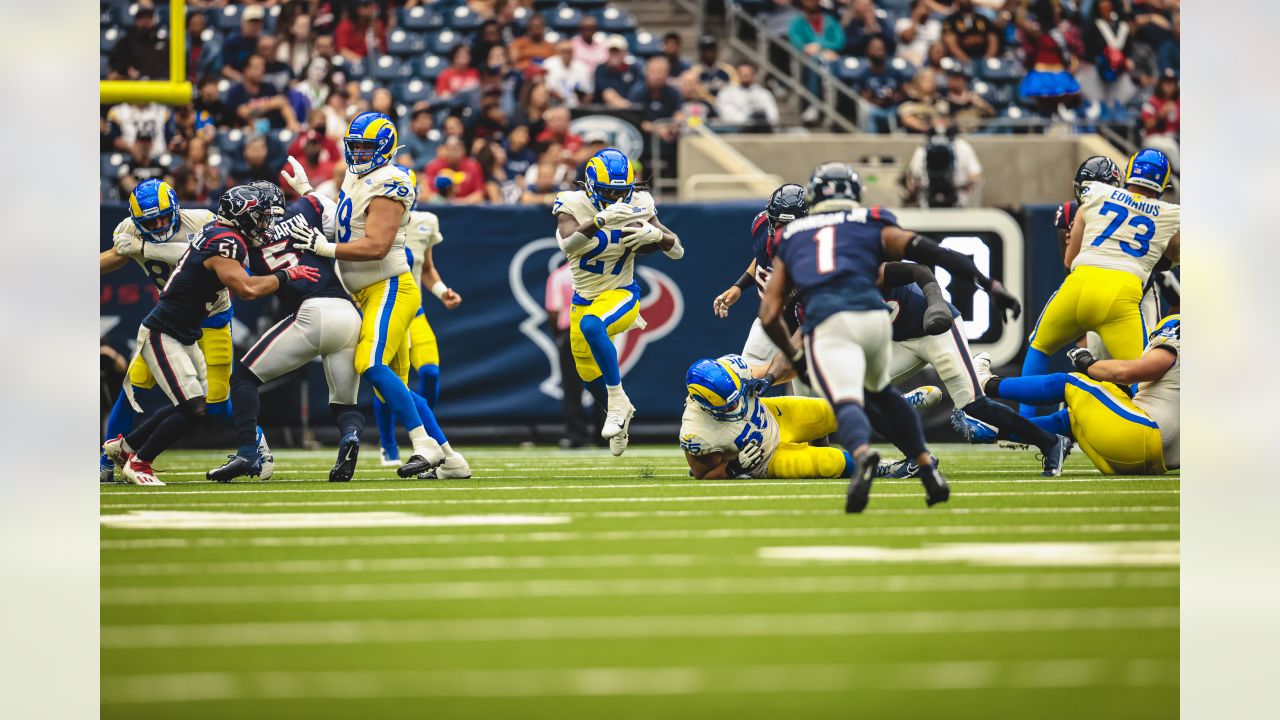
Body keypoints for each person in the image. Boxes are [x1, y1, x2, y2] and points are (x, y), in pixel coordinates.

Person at [759, 162, 1021, 512]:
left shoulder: (792, 238)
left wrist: (791, 360)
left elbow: (768, 314)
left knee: (846, 401)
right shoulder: (873, 220)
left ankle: (864, 454)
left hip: (830, 324)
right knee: (882, 393)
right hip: (875, 320)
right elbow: (936, 255)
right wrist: (991, 285)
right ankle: (926, 467)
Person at [289, 112, 468, 478]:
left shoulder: (391, 180)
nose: (358, 153)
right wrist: (308, 194)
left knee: (368, 363)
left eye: (366, 146)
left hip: (389, 286)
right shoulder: (358, 177)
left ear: (385, 148)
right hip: (369, 292)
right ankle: (452, 460)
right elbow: (344, 224)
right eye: (353, 146)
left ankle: (423, 446)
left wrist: (324, 249)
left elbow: (375, 246)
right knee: (393, 389)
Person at [103, 184, 315, 486]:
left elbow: (187, 252)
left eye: (163, 219)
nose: (158, 227)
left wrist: (145, 249)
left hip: (202, 322)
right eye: (259, 217)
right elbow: (247, 287)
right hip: (167, 329)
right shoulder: (223, 240)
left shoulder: (207, 226)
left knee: (207, 402)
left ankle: (127, 448)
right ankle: (134, 461)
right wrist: (287, 275)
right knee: (176, 402)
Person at [205, 178, 365, 483]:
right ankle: (350, 435)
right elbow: (341, 222)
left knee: (242, 377)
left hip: (310, 313)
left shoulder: (245, 241)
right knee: (345, 402)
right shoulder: (308, 206)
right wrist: (309, 190)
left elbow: (246, 285)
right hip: (347, 313)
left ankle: (249, 453)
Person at [1018, 148, 1180, 411]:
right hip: (1123, 295)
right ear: (1163, 184)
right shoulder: (1171, 214)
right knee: (1142, 374)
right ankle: (1149, 427)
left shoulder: (1094, 194)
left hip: (1079, 283)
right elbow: (1176, 255)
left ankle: (1023, 423)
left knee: (1039, 347)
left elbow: (1069, 260)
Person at [880, 261, 1071, 476]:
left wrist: (936, 304)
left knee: (973, 404)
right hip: (900, 340)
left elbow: (919, 270)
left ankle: (1051, 442)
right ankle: (917, 459)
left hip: (937, 329)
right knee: (863, 395)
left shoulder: (862, 267)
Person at [552, 148, 685, 455]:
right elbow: (567, 244)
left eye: (621, 192)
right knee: (588, 377)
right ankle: (621, 414)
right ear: (589, 186)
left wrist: (655, 235)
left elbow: (678, 250)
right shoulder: (571, 203)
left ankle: (617, 402)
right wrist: (598, 221)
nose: (616, 198)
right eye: (608, 192)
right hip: (583, 299)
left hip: (622, 294)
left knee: (593, 324)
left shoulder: (640, 203)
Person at [960, 315, 1180, 475]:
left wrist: (1090, 364)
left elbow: (1131, 372)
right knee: (1074, 418)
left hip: (1139, 435)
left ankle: (986, 384)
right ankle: (996, 430)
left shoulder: (1179, 326)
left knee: (1069, 382)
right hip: (1152, 464)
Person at [680, 355, 940, 479]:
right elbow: (702, 475)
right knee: (830, 462)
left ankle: (895, 406)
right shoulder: (696, 431)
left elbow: (774, 369)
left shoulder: (733, 368)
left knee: (835, 410)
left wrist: (768, 379)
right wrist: (735, 468)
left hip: (774, 415)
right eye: (728, 405)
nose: (736, 405)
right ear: (705, 406)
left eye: (737, 396)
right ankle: (886, 468)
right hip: (766, 459)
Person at [373, 165, 465, 474]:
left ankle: (425, 436)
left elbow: (425, 268)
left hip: (416, 312)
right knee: (386, 379)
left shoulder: (426, 222)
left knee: (430, 374)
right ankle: (388, 442)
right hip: (387, 309)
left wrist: (442, 292)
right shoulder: (372, 222)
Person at [712, 184, 808, 370]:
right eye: (781, 226)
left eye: (793, 227)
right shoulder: (761, 226)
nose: (785, 235)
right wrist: (739, 285)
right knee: (747, 370)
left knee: (805, 387)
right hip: (773, 315)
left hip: (807, 320)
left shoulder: (817, 252)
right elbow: (762, 260)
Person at [546, 261, 600, 448]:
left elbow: (553, 311)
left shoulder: (559, 275)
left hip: (571, 331)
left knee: (571, 385)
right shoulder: (598, 272)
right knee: (603, 381)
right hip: (596, 329)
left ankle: (577, 434)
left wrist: (558, 336)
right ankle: (607, 434)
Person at [226, 55, 300, 132]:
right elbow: (243, 113)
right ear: (246, 70)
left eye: (262, 67)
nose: (262, 70)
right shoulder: (236, 91)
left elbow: (282, 103)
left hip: (275, 131)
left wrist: (292, 123)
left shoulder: (269, 87)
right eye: (257, 68)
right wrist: (271, 104)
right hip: (249, 133)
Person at [857, 36, 906, 133]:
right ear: (867, 51)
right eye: (874, 47)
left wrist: (893, 97)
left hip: (892, 108)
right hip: (874, 109)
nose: (878, 50)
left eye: (880, 47)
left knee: (903, 110)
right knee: (866, 110)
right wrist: (873, 100)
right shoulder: (863, 75)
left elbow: (903, 93)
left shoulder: (895, 73)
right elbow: (861, 96)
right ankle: (871, 143)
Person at [108, 2, 167, 80]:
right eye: (142, 17)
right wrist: (126, 71)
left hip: (161, 86)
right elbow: (114, 67)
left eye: (149, 17)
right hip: (134, 87)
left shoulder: (163, 42)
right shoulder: (125, 43)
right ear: (136, 20)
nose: (146, 20)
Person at [715, 62, 781, 129]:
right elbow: (726, 114)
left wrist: (761, 120)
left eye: (748, 73)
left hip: (762, 130)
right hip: (738, 130)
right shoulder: (726, 93)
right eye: (742, 73)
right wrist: (748, 119)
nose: (745, 75)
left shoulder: (764, 93)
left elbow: (773, 115)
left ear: (754, 75)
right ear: (736, 74)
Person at [422, 137, 486, 204]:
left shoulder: (473, 167)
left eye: (455, 149)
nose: (452, 152)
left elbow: (479, 195)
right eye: (448, 149)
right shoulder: (433, 166)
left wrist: (457, 203)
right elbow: (426, 194)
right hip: (440, 208)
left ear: (463, 150)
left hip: (466, 209)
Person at [221, 4, 266, 82]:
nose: (253, 26)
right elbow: (226, 69)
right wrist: (245, 81)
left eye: (257, 22)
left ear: (261, 25)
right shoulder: (232, 42)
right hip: (237, 81)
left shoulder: (263, 43)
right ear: (243, 22)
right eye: (250, 22)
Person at [544, 40, 593, 107]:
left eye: (569, 51)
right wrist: (562, 99)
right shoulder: (549, 64)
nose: (566, 54)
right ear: (558, 52)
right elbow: (547, 88)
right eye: (563, 51)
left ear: (573, 52)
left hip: (577, 107)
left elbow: (588, 92)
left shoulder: (582, 66)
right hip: (555, 104)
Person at [689, 35, 738, 103]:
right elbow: (694, 91)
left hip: (726, 105)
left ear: (716, 49)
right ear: (700, 51)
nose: (709, 52)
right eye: (705, 49)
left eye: (711, 48)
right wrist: (712, 101)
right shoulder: (694, 71)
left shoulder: (728, 69)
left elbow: (735, 89)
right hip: (703, 105)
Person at [593, 35, 637, 108]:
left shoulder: (633, 69)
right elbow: (607, 93)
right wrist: (626, 107)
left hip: (629, 109)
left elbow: (635, 93)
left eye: (617, 51)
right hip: (604, 111)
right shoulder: (601, 69)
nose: (614, 55)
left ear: (624, 52)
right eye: (612, 51)